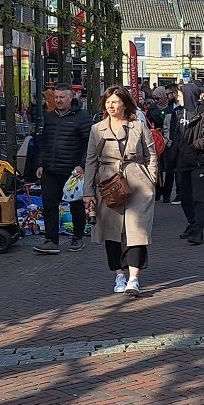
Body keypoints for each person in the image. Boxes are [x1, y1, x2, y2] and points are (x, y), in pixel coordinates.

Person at [82, 87, 158, 296]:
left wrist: (150, 181)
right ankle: (118, 274)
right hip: (108, 185)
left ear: (125, 104)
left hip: (137, 183)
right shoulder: (97, 129)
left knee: (137, 231)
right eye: (108, 102)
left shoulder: (139, 127)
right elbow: (90, 162)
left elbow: (151, 155)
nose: (111, 106)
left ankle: (134, 278)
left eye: (115, 102)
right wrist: (88, 191)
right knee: (112, 231)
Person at [33, 84, 93, 255]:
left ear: (70, 97)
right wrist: (40, 164)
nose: (58, 100)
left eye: (62, 97)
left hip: (72, 172)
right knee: (49, 205)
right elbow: (44, 142)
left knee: (76, 206)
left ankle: (77, 237)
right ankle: (51, 240)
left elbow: (90, 144)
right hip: (50, 170)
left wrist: (82, 165)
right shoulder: (49, 117)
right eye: (56, 97)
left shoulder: (83, 118)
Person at [172, 94, 204, 245]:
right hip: (183, 163)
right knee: (185, 197)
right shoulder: (178, 113)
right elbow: (176, 135)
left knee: (199, 199)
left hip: (200, 163)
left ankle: (198, 231)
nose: (178, 98)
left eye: (181, 95)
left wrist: (193, 147)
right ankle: (192, 223)